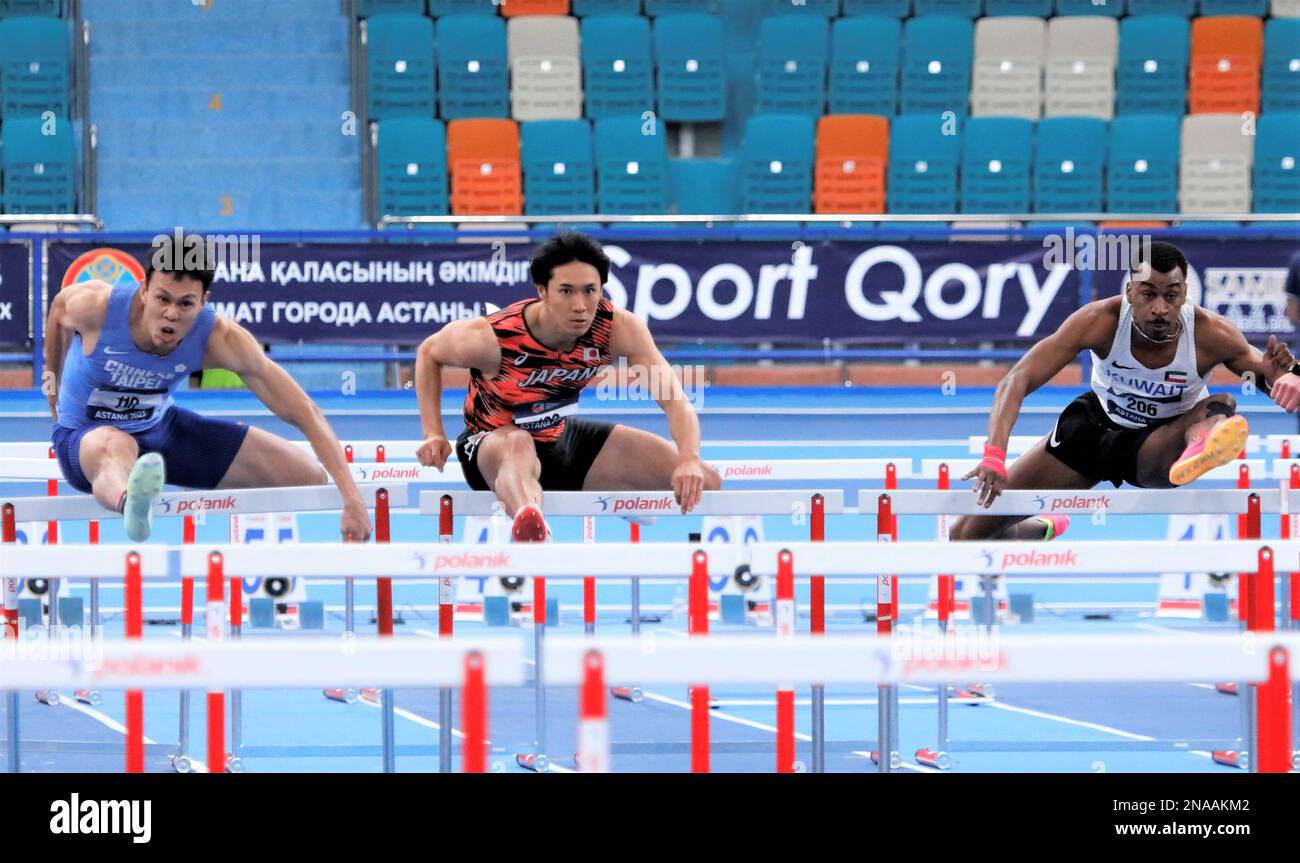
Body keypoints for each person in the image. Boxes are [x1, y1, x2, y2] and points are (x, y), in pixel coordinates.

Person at [955, 240, 1300, 542]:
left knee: (1222, 405)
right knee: (964, 537)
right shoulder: (1099, 321)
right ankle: (1039, 528)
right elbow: (1017, 380)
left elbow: (1273, 380)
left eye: (1171, 295)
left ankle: (1201, 443)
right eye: (1149, 294)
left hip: (1155, 446)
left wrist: (1286, 375)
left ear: (1184, 294)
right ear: (1130, 292)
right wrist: (994, 456)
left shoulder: (1212, 335)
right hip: (1091, 430)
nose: (1160, 308)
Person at [45, 234, 372, 543]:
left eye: (185, 304)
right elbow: (57, 314)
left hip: (161, 431)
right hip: (86, 437)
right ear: (144, 290)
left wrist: (353, 499)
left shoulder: (219, 337)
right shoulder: (94, 307)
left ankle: (157, 478)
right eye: (162, 299)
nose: (171, 314)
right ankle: (132, 502)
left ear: (204, 301)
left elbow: (304, 411)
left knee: (306, 476)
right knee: (116, 445)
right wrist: (53, 395)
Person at [414, 231, 720, 540]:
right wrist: (434, 433)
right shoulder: (492, 338)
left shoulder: (617, 329)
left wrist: (689, 459)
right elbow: (428, 352)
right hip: (493, 447)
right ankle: (531, 525)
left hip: (560, 439)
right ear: (542, 290)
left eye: (590, 290)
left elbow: (674, 400)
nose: (580, 305)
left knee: (706, 482)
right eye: (566, 291)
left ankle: (615, 489)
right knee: (518, 443)